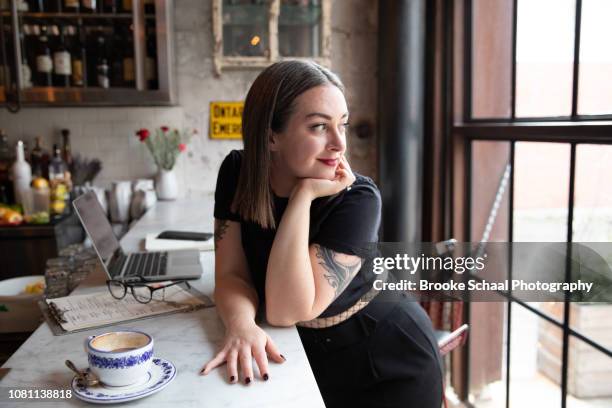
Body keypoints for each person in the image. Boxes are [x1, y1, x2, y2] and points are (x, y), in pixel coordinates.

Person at [201, 60, 443, 408]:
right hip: (313, 355)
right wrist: (241, 324)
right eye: (319, 127)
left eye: (341, 125)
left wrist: (303, 197)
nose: (339, 144)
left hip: (388, 360)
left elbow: (287, 310)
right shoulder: (238, 172)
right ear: (271, 135)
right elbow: (231, 275)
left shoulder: (359, 198)